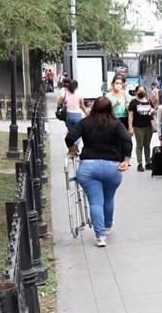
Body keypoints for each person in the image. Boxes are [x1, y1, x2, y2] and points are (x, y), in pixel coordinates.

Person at [65, 97, 132, 247]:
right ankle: (107, 226)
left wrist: (72, 149)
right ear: (110, 108)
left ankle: (100, 236)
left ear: (94, 107)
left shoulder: (85, 123)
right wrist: (126, 160)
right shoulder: (116, 124)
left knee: (95, 201)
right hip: (112, 167)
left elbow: (70, 137)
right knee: (108, 198)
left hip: (88, 167)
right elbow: (127, 139)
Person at [127, 86, 155, 172]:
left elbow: (152, 110)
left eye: (143, 91)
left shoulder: (149, 101)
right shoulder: (133, 102)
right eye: (139, 91)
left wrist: (153, 111)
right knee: (139, 145)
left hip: (148, 126)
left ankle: (147, 163)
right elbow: (130, 115)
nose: (141, 92)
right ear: (136, 92)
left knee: (147, 145)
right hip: (138, 126)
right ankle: (139, 163)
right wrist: (130, 127)